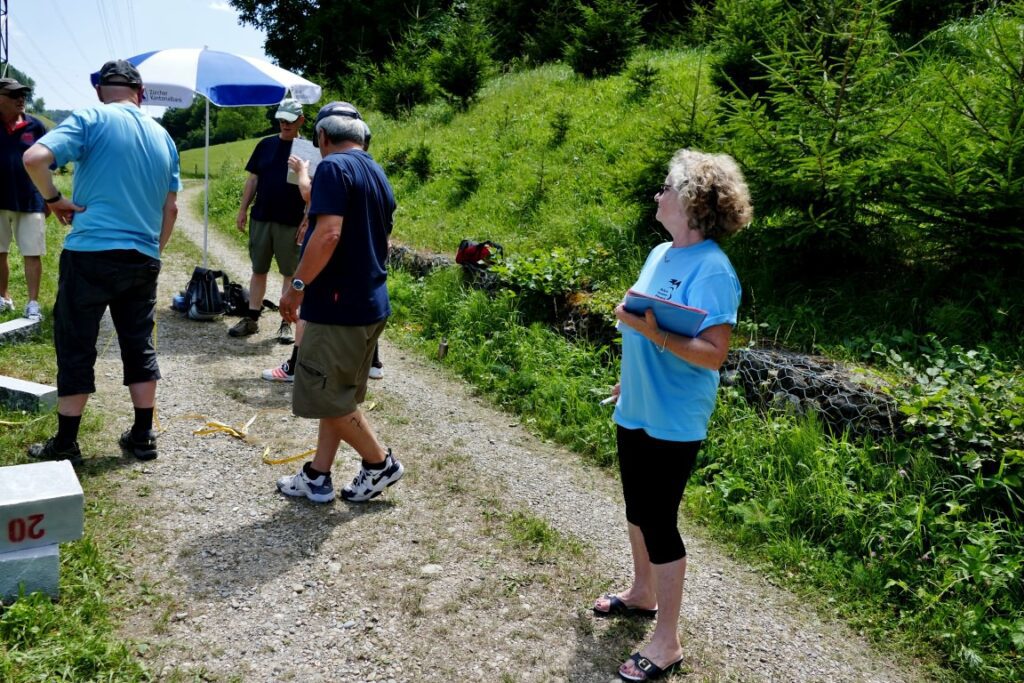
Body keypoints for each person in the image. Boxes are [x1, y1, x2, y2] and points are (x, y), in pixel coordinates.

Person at [593, 149, 752, 682]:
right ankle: (642, 594)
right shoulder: (662, 253)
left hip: (675, 415)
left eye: (665, 187)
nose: (657, 195)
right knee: (637, 506)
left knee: (659, 519)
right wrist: (629, 377)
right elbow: (644, 321)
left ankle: (667, 642)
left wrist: (652, 332)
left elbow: (713, 353)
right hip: (637, 402)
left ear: (687, 202)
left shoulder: (713, 269)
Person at [22, 60, 180, 466]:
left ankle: (66, 443)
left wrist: (53, 199)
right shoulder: (164, 137)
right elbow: (171, 208)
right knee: (138, 343)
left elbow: (35, 158)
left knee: (76, 343)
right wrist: (155, 250)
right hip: (142, 256)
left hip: (91, 252)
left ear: (99, 91)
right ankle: (144, 435)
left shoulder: (92, 117)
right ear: (139, 93)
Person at [276, 101, 401, 503]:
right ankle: (317, 475)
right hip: (369, 302)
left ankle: (379, 463)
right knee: (339, 394)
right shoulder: (377, 172)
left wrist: (297, 285)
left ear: (323, 139)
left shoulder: (331, 167)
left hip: (337, 306)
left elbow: (327, 235)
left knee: (325, 395)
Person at [262, 134, 387, 383]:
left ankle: (296, 365)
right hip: (367, 266)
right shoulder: (371, 169)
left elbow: (310, 196)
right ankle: (373, 362)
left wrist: (301, 171)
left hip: (332, 262)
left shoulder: (333, 166)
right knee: (363, 310)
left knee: (309, 307)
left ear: (325, 138)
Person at [230, 98, 306, 344]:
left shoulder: (307, 150)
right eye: (282, 120)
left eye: (290, 121)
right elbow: (253, 180)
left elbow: (312, 189)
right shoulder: (265, 145)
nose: (285, 125)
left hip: (291, 221)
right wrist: (242, 210)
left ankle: (286, 323)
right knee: (258, 269)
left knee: (289, 273)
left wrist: (307, 219)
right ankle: (252, 318)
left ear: (301, 121)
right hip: (261, 217)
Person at [0, 77, 47, 321]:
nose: (21, 99)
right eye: (14, 95)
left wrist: (50, 198)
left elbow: (49, 164)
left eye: (23, 95)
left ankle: (32, 303)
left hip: (30, 199)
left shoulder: (35, 126)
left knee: (32, 252)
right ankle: (3, 297)